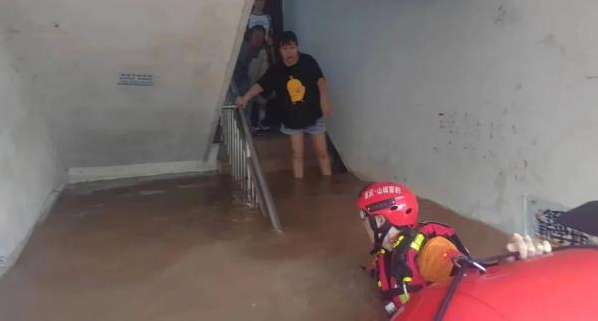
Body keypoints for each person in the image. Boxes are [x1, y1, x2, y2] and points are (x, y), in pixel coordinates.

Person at [357, 181, 552, 317]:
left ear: (379, 220)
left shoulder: (430, 251)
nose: (362, 225)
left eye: (363, 218)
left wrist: (507, 267)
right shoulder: (384, 254)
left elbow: (470, 277)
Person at [236, 31, 333, 178]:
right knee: (297, 154)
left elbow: (320, 80)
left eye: (292, 48)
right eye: (284, 49)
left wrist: (324, 99)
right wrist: (245, 98)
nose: (289, 52)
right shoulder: (276, 69)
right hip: (291, 117)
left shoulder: (308, 61)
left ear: (297, 47)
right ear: (279, 50)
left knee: (322, 152)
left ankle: (329, 183)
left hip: (313, 113)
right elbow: (261, 85)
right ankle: (299, 187)